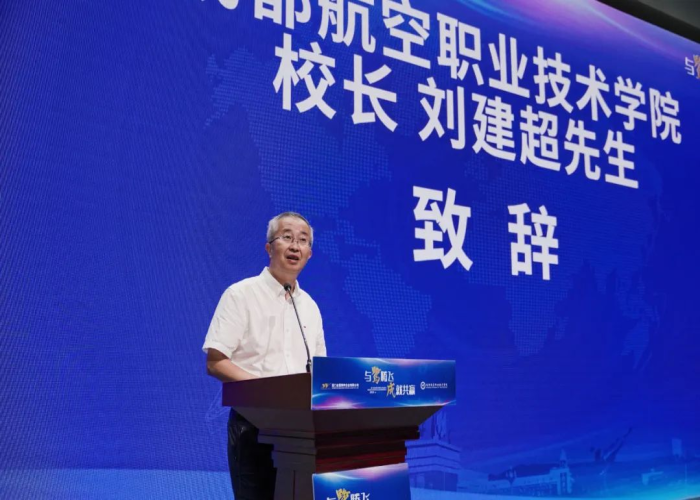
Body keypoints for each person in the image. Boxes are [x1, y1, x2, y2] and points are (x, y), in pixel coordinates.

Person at [203, 212, 326, 500]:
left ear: (309, 254)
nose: (295, 246)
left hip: (300, 432)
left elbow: (320, 371)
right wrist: (267, 392)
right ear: (269, 247)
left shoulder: (310, 307)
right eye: (287, 237)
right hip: (252, 425)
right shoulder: (240, 295)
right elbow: (215, 361)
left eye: (303, 240)